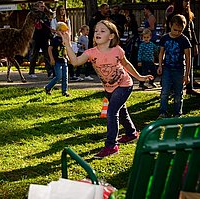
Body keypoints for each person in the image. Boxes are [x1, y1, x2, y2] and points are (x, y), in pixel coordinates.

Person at [60, 20, 153, 159]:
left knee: (112, 112)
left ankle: (111, 146)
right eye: (96, 30)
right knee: (121, 111)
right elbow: (75, 62)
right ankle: (131, 134)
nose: (98, 33)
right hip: (109, 88)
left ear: (111, 36)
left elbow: (126, 65)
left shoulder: (117, 50)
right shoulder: (91, 53)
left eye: (102, 31)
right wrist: (67, 43)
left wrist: (139, 77)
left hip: (124, 85)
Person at [157, 14, 192, 119]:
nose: (177, 33)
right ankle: (162, 112)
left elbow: (188, 58)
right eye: (175, 29)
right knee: (165, 91)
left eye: (180, 31)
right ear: (170, 25)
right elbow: (161, 53)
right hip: (167, 68)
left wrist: (187, 75)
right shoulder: (164, 38)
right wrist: (160, 66)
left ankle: (177, 113)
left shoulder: (184, 40)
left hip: (179, 69)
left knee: (178, 92)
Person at [166, 0, 199, 95]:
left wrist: (195, 45)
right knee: (175, 65)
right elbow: (168, 31)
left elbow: (192, 31)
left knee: (190, 64)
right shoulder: (173, 16)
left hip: (188, 42)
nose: (187, 3)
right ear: (180, 1)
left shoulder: (188, 15)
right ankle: (171, 88)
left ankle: (189, 87)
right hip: (176, 44)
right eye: (185, 1)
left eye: (188, 1)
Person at [44, 22, 70, 97]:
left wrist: (67, 56)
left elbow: (66, 47)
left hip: (63, 60)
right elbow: (49, 49)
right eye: (62, 30)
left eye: (64, 31)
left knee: (65, 77)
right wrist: (51, 58)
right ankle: (48, 87)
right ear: (57, 30)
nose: (63, 32)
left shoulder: (64, 39)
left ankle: (64, 91)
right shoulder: (55, 40)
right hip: (57, 61)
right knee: (59, 76)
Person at [28, 1, 53, 78]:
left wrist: (49, 35)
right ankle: (31, 72)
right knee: (34, 55)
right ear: (37, 7)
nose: (42, 8)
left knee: (47, 55)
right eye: (41, 6)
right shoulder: (33, 15)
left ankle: (49, 71)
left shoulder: (45, 15)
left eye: (43, 6)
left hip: (44, 38)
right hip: (36, 38)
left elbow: (47, 25)